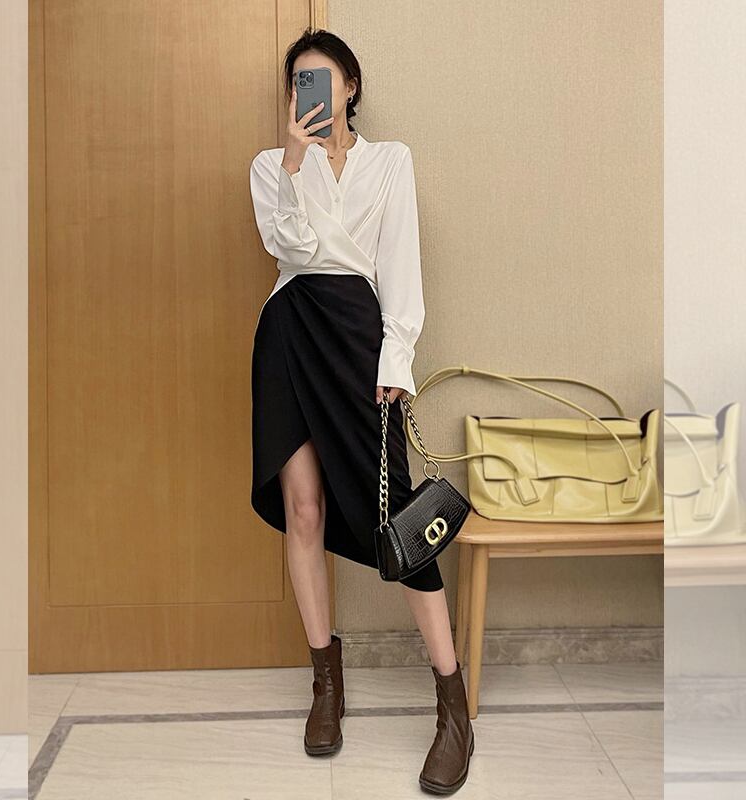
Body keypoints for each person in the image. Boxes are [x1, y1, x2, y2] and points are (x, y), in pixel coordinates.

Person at [248, 28, 474, 795]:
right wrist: (293, 161)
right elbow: (289, 249)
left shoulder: (390, 161)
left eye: (321, 79)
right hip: (289, 334)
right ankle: (325, 683)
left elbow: (399, 266)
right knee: (304, 509)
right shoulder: (271, 167)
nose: (308, 93)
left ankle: (452, 706)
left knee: (401, 518)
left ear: (350, 85)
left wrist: (395, 362)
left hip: (357, 337)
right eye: (297, 83)